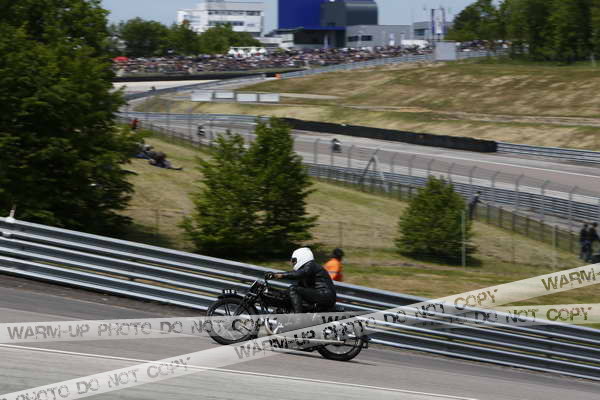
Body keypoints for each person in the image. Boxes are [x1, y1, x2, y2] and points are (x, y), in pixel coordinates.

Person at [268, 247, 336, 313]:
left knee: (293, 289)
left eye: (294, 260)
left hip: (325, 295)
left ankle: (298, 317)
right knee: (290, 291)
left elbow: (299, 274)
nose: (293, 263)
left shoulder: (311, 265)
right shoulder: (305, 270)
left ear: (302, 257)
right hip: (320, 295)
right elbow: (300, 285)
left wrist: (280, 275)